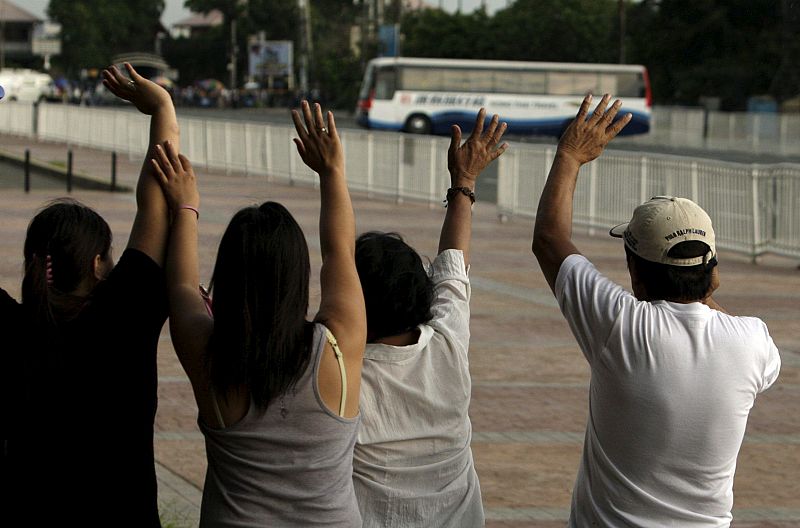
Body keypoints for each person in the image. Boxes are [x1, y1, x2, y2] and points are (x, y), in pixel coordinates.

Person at [531, 94, 782, 527]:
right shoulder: (754, 342)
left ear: (634, 270)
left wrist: (570, 154)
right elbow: (711, 313)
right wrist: (704, 284)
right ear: (713, 270)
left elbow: (550, 240)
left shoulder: (622, 327)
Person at [149, 101, 366, 526]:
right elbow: (339, 250)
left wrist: (185, 206)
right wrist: (332, 172)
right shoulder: (339, 347)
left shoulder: (207, 356)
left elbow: (179, 285)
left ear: (225, 282)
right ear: (299, 277)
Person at [0, 63, 177, 525]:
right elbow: (155, 202)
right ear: (99, 264)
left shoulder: (10, 329)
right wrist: (161, 107)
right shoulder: (125, 317)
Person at [352, 109, 508, 527]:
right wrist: (465, 183)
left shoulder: (339, 375)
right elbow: (453, 264)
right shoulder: (447, 344)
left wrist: (332, 173)